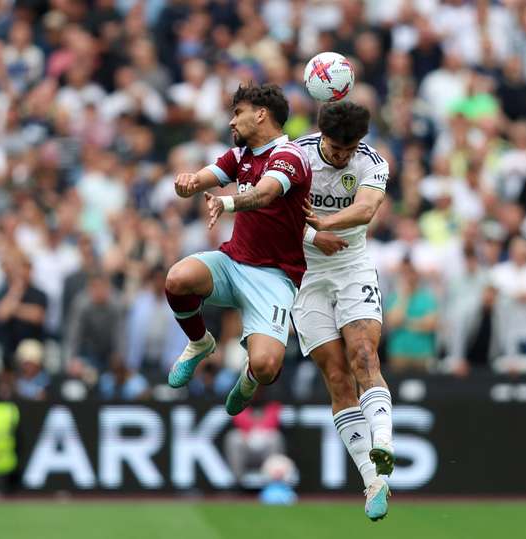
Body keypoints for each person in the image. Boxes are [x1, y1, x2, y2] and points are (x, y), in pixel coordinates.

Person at [163, 83, 312, 418]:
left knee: (267, 366)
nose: (231, 122)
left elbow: (265, 194)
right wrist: (188, 183)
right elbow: (205, 178)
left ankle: (248, 378)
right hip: (233, 262)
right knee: (177, 278)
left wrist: (226, 202)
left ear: (260, 115)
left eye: (238, 113)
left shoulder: (290, 156)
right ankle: (201, 343)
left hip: (275, 276)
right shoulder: (240, 155)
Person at [292, 101, 393, 521]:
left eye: (347, 149)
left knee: (364, 356)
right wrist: (315, 239)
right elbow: (271, 215)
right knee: (336, 375)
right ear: (322, 135)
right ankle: (372, 481)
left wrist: (324, 226)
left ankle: (383, 444)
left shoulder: (372, 163)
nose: (339, 156)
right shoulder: (296, 156)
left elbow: (367, 209)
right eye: (334, 148)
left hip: (352, 265)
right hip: (306, 273)